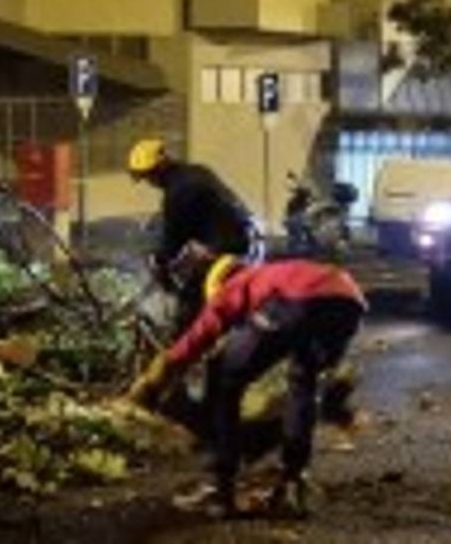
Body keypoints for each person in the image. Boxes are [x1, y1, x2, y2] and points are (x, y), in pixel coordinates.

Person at [125, 249, 367, 519]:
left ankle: (221, 490)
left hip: (294, 302)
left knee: (223, 377)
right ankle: (293, 484)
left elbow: (197, 338)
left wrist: (154, 380)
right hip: (348, 305)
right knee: (303, 383)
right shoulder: (275, 273)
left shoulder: (235, 284)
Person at [127, 138, 259, 331]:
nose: (150, 182)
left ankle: (204, 342)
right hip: (241, 240)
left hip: (227, 250)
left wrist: (159, 261)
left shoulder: (177, 192)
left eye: (149, 175)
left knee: (193, 307)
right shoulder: (197, 171)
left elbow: (174, 240)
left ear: (160, 168)